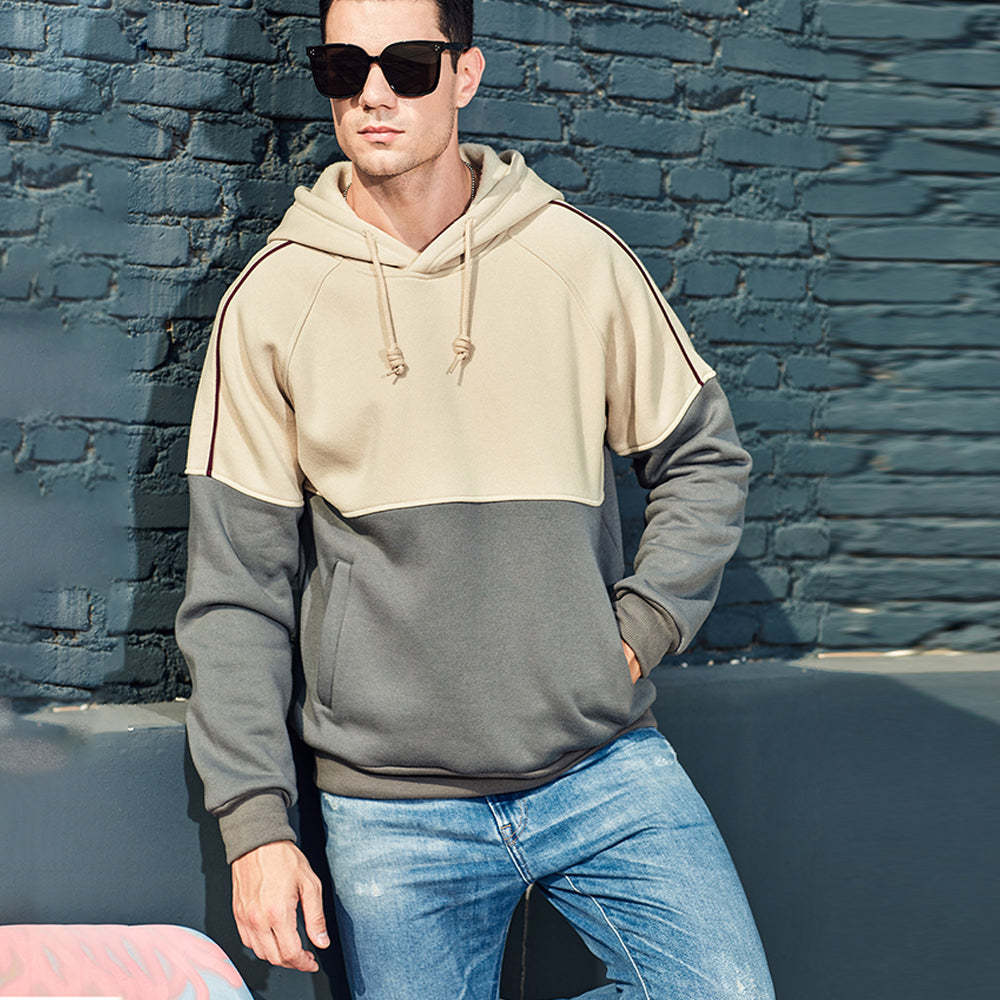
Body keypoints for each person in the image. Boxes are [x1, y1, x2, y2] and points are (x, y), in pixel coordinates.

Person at [174, 0, 778, 997]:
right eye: (344, 67)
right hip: (392, 808)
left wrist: (635, 632)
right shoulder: (271, 302)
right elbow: (237, 588)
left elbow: (702, 458)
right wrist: (256, 827)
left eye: (409, 65)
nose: (374, 93)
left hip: (600, 766)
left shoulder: (577, 260)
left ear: (465, 74)